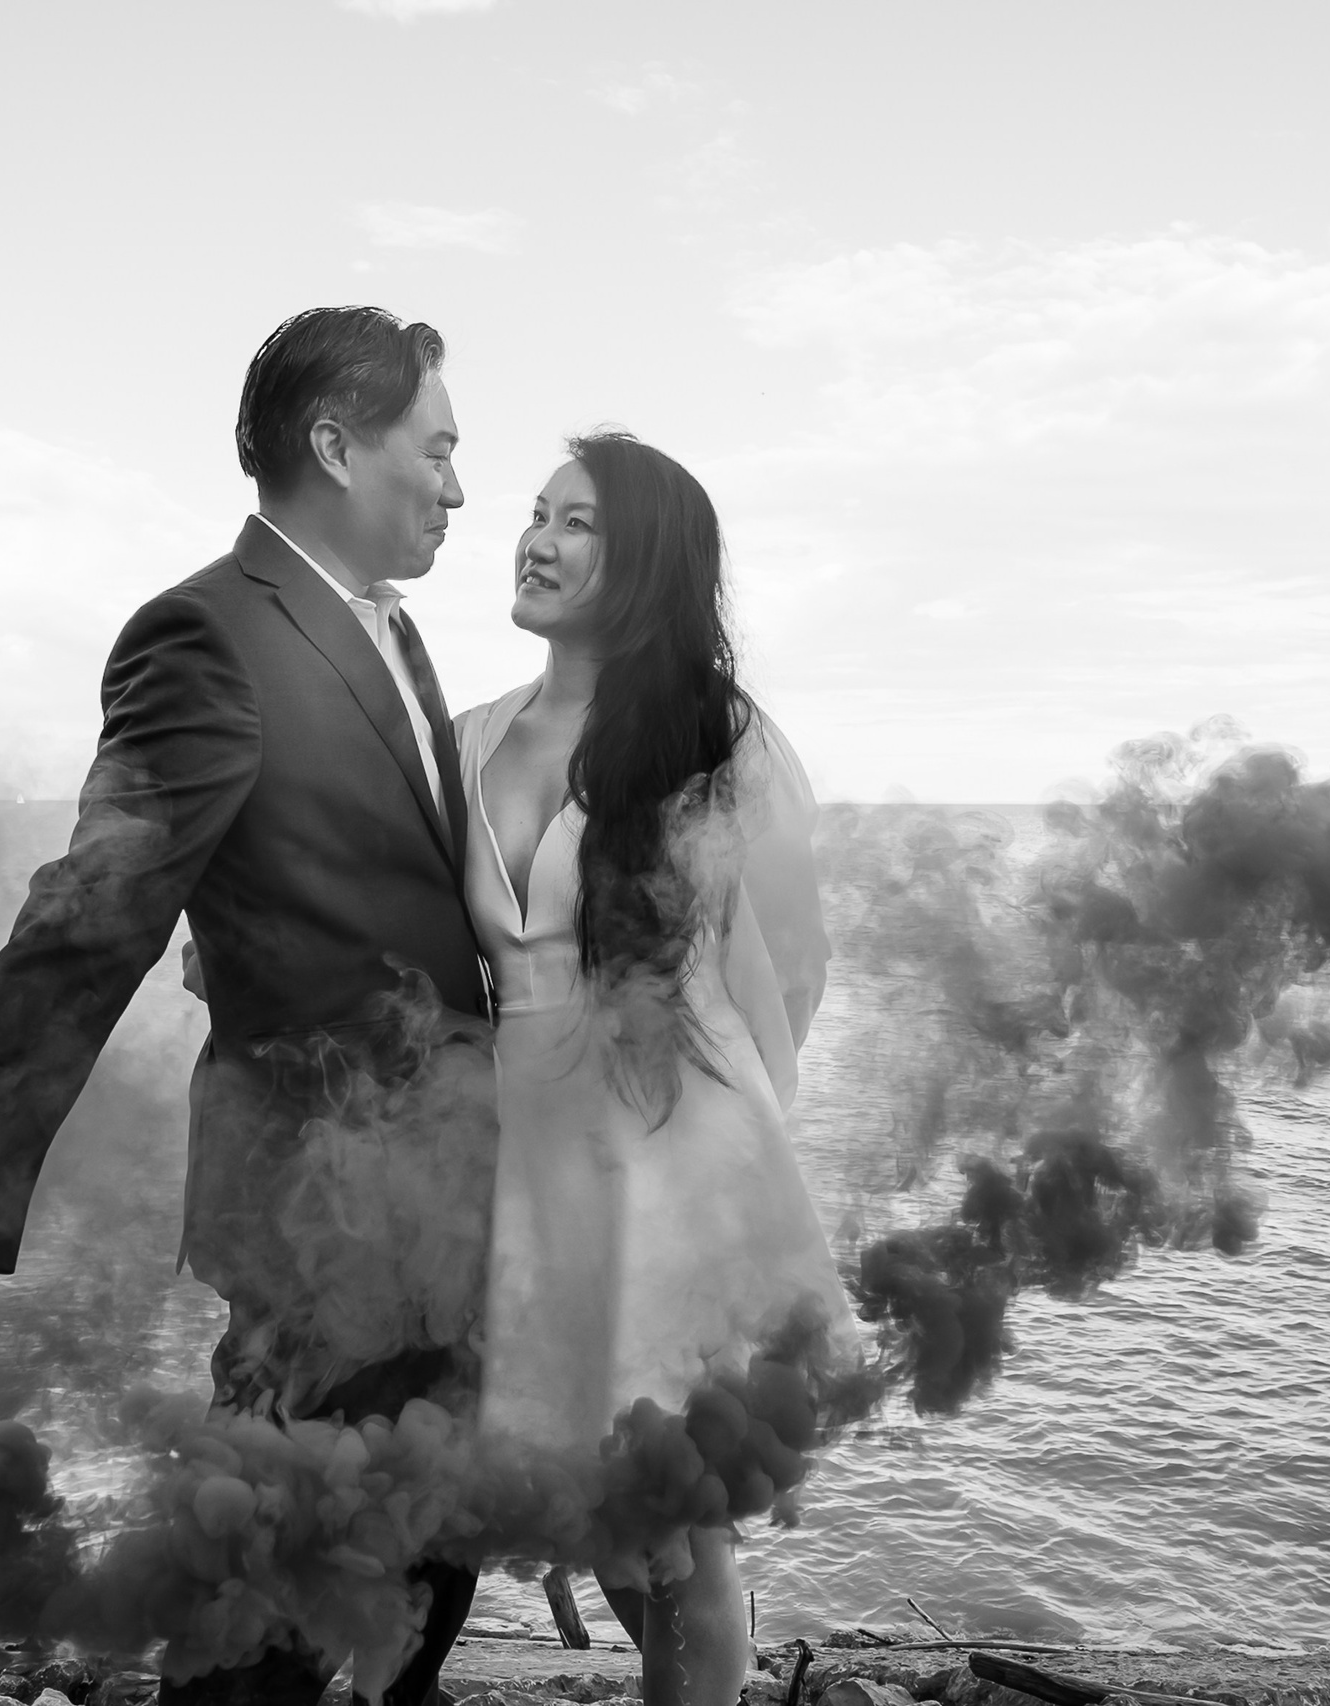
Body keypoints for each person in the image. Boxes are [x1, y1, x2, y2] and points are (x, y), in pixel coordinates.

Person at [0, 306, 495, 1706]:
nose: (462, 488)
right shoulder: (205, 640)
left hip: (443, 1200)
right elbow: (76, 936)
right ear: (337, 444)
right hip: (316, 1222)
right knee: (274, 1604)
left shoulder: (400, 641)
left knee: (419, 1572)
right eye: (442, 447)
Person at [456, 433, 854, 1706]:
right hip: (528, 1153)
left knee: (676, 1508)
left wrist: (719, 1128)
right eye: (534, 512)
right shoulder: (462, 736)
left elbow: (795, 957)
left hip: (672, 1140)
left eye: (577, 522)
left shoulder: (717, 739)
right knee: (592, 1496)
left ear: (647, 568)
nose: (536, 537)